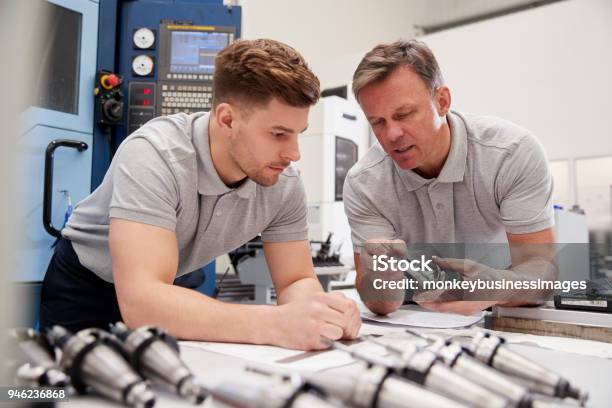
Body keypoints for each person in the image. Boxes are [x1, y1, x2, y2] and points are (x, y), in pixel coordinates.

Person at [40, 39, 361, 350]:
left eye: (297, 134)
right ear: (227, 119)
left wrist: (322, 313)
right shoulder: (155, 154)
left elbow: (294, 281)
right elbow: (143, 304)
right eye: (278, 134)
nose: (293, 153)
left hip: (167, 286)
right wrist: (276, 323)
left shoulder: (285, 183)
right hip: (89, 285)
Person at [344, 39, 556, 316]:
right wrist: (381, 280)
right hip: (412, 321)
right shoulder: (365, 183)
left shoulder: (511, 153)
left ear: (442, 101)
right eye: (377, 122)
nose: (391, 134)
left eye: (403, 115)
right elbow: (378, 301)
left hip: (504, 311)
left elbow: (542, 272)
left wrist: (498, 288)